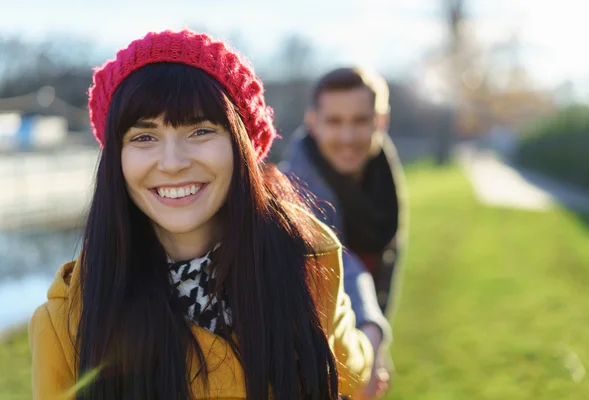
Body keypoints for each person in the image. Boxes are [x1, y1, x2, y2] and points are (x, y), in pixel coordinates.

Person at [28, 30, 374, 400]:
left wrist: (374, 333)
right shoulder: (66, 325)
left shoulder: (305, 261)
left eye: (201, 131)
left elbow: (351, 371)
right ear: (117, 158)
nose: (173, 163)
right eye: (144, 137)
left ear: (240, 146)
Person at [281, 67, 408, 398]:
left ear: (381, 121)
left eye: (360, 121)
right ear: (313, 122)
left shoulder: (383, 178)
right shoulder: (292, 191)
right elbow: (342, 262)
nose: (348, 137)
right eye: (335, 121)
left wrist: (375, 346)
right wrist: (373, 333)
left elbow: (386, 262)